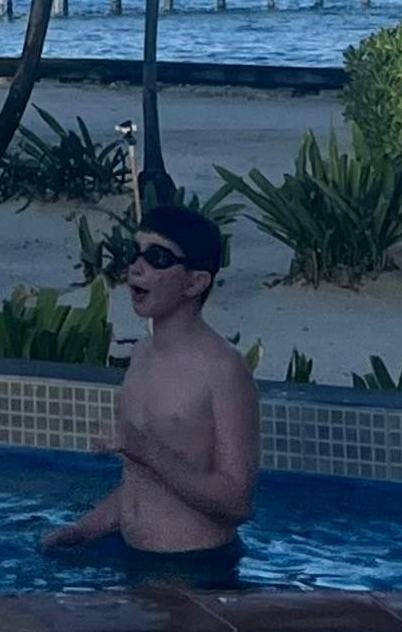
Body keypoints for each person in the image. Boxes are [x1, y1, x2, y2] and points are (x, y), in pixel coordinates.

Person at [40, 203, 258, 580]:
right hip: (134, 562)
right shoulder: (141, 355)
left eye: (158, 258)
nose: (136, 268)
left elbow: (236, 502)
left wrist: (146, 449)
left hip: (196, 571)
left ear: (195, 283)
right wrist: (85, 529)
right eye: (134, 253)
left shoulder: (223, 370)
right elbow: (141, 480)